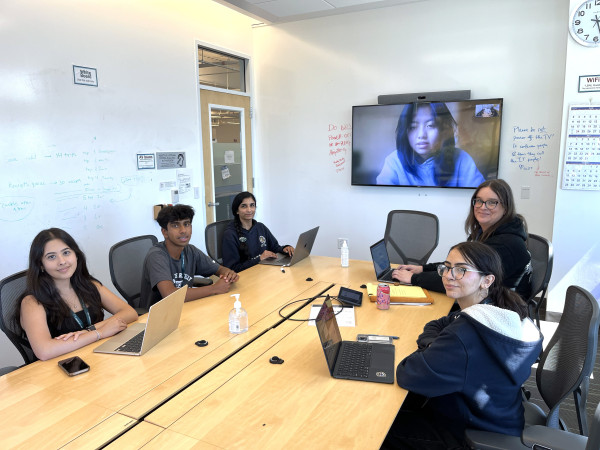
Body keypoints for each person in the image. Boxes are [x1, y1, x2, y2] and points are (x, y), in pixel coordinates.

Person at [382, 242, 542, 449]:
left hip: (469, 435)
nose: (449, 275)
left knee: (378, 427)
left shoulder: (465, 335)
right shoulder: (496, 309)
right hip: (498, 418)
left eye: (461, 270)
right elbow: (438, 324)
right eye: (447, 267)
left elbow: (408, 373)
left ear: (487, 280)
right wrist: (433, 345)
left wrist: (434, 349)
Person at [393, 178, 532, 300]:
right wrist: (422, 269)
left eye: (492, 203)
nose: (483, 207)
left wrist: (413, 279)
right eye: (479, 201)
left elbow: (461, 278)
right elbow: (459, 266)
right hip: (481, 298)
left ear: (506, 207)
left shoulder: (506, 244)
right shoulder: (485, 233)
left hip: (497, 309)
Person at [13, 228, 138, 361]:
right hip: (60, 369)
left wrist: (89, 331)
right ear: (41, 265)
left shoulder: (89, 285)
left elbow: (130, 312)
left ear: (76, 255)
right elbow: (44, 351)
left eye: (66, 253)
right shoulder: (32, 302)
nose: (62, 261)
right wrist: (99, 333)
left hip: (96, 357)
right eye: (51, 257)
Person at [140, 204, 239, 309]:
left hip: (185, 308)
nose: (183, 230)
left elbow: (219, 269)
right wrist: (214, 288)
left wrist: (228, 274)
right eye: (175, 225)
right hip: (158, 317)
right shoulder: (156, 256)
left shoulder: (190, 251)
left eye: (186, 224)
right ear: (165, 232)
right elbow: (170, 295)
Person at [376, 102, 485, 187]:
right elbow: (382, 199)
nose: (421, 135)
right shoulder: (394, 161)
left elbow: (479, 197)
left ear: (444, 130)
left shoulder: (462, 159)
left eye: (430, 126)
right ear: (405, 131)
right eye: (413, 127)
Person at [222, 192, 294, 272]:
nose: (249, 210)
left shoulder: (260, 227)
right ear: (237, 211)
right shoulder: (230, 234)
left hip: (263, 272)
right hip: (246, 277)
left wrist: (285, 248)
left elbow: (275, 247)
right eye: (244, 206)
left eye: (252, 205)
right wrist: (259, 259)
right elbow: (232, 269)